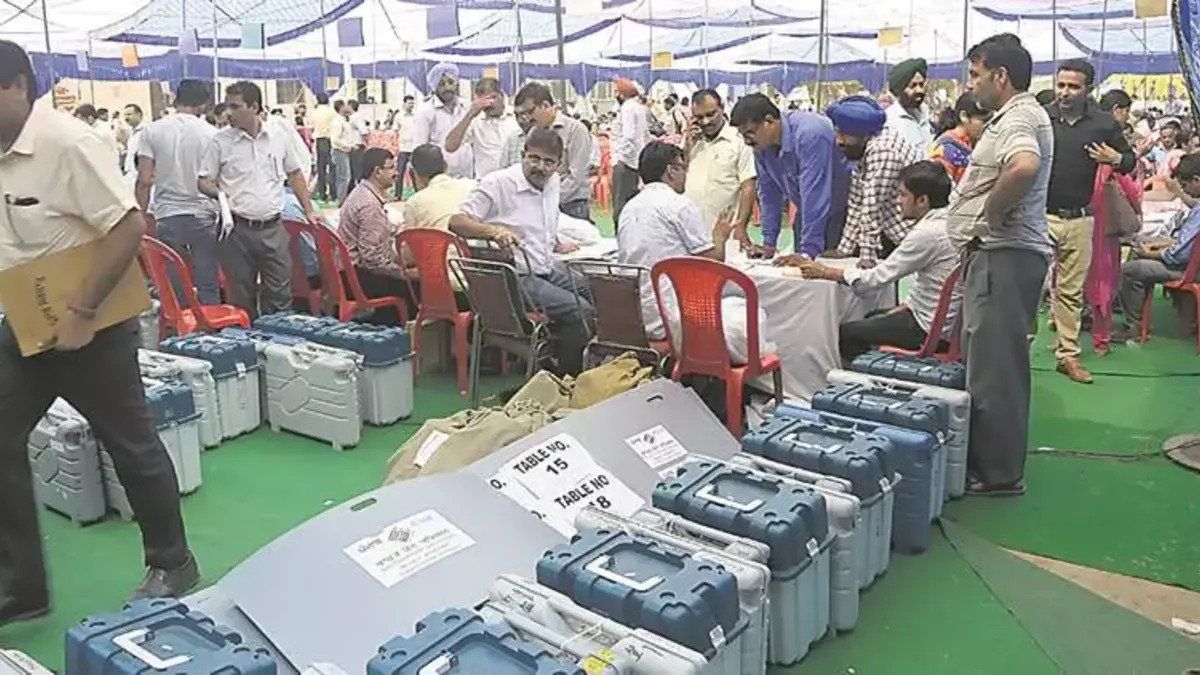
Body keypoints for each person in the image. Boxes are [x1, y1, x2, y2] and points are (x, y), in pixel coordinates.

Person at [0, 41, 199, 627]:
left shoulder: (66, 142)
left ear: (15, 85)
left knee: (130, 443)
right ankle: (22, 584)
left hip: (96, 325)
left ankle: (174, 562)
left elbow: (127, 226)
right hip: (28, 326)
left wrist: (83, 310)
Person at [947, 33, 1053, 496]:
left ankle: (996, 474)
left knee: (996, 370)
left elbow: (1023, 166)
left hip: (1004, 255)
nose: (972, 86)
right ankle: (992, 465)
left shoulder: (1019, 117)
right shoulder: (1015, 115)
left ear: (1000, 76)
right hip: (1001, 256)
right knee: (989, 363)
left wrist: (988, 216)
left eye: (976, 75)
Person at [449, 128, 593, 375]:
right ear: (523, 155)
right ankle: (564, 379)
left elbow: (543, 219)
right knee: (580, 310)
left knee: (597, 291)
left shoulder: (553, 182)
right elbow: (457, 222)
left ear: (559, 165)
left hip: (545, 267)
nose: (540, 167)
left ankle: (557, 358)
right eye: (534, 158)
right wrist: (494, 232)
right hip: (516, 276)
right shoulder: (499, 182)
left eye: (549, 162)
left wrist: (555, 239)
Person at [617, 142, 775, 363]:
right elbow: (713, 268)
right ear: (671, 171)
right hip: (670, 318)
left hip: (634, 318)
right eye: (683, 168)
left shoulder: (628, 208)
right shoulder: (679, 205)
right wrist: (719, 237)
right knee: (751, 313)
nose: (685, 175)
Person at [792, 161, 960, 361]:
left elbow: (876, 279)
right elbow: (930, 283)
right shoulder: (951, 221)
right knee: (872, 317)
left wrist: (827, 272)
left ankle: (866, 382)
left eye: (903, 194)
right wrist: (907, 305)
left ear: (922, 200)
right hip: (944, 322)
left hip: (927, 328)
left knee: (846, 333)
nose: (898, 201)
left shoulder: (927, 234)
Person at [1043, 58, 1136, 383]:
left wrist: (1116, 158)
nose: (1065, 92)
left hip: (1080, 220)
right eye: (1061, 85)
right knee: (1025, 286)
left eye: (1073, 86)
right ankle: (1015, 350)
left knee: (1070, 293)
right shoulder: (1043, 117)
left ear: (1088, 89)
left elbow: (1130, 160)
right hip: (1038, 218)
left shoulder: (1103, 124)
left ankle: (1067, 356)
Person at [197, 81, 320, 318]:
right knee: (242, 298)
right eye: (227, 106)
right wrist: (219, 194)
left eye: (235, 106)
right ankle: (249, 345)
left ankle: (277, 346)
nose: (228, 113)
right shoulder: (220, 142)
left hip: (273, 226)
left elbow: (294, 174)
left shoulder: (277, 138)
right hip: (236, 230)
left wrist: (309, 209)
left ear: (254, 107)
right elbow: (203, 180)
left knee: (281, 296)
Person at [134, 79, 221, 304]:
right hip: (204, 214)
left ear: (175, 99)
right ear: (203, 105)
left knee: (175, 283)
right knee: (207, 282)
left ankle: (183, 327)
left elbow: (145, 179)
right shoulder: (212, 134)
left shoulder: (151, 131)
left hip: (167, 215)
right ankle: (211, 330)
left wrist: (140, 215)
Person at [730, 92, 838, 259]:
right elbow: (768, 194)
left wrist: (807, 252)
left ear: (769, 121)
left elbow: (815, 194)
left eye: (749, 133)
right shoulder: (762, 147)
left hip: (842, 215)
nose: (746, 141)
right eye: (742, 134)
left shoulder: (810, 133)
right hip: (807, 213)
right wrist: (768, 245)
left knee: (834, 275)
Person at [826, 95, 923, 266]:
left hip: (919, 233)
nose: (838, 141)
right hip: (900, 230)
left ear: (862, 134)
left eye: (844, 134)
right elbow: (856, 202)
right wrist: (844, 250)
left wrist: (867, 256)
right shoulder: (863, 149)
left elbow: (872, 206)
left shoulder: (882, 150)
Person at [1115, 154, 1200, 340]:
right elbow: (1183, 241)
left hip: (1186, 270)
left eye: (1185, 186)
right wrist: (1157, 245)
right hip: (1187, 261)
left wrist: (1153, 253)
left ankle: (1134, 326)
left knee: (1129, 270)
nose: (1185, 191)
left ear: (1196, 180)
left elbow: (1178, 255)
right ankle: (1130, 308)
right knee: (1139, 246)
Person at [501, 82, 594, 221]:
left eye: (529, 112)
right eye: (518, 115)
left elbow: (576, 177)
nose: (524, 119)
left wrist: (546, 199)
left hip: (569, 207)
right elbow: (504, 174)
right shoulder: (515, 138)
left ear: (545, 105)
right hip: (525, 208)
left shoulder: (575, 130)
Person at [338, 147, 412, 321]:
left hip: (348, 272)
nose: (396, 173)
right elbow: (372, 259)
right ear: (377, 172)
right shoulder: (370, 205)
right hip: (359, 277)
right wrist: (402, 272)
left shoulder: (361, 193)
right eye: (392, 168)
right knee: (414, 286)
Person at [684, 88, 756, 249]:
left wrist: (741, 225)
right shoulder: (691, 142)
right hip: (691, 235)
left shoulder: (739, 142)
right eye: (699, 117)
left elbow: (748, 186)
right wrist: (687, 147)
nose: (705, 122)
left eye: (711, 114)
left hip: (725, 236)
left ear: (722, 108)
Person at [444, 77, 519, 180]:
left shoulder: (516, 117)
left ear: (501, 95)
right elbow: (450, 146)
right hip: (485, 183)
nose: (488, 104)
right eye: (483, 100)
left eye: (492, 98)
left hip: (513, 181)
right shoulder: (475, 121)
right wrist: (470, 115)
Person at [412, 62, 472, 179]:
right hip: (439, 177)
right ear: (434, 87)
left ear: (456, 83)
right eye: (441, 84)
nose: (447, 87)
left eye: (450, 82)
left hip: (467, 176)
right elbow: (420, 148)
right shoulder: (426, 111)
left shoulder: (466, 107)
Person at [402, 143, 477, 232]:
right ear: (446, 166)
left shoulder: (414, 202)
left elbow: (409, 237)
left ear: (415, 174)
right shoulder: (473, 187)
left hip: (434, 244)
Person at [611, 77, 653, 229]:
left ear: (621, 94)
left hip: (626, 164)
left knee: (620, 207)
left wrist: (620, 159)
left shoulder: (627, 108)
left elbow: (628, 136)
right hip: (636, 162)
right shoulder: (639, 108)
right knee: (632, 205)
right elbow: (645, 136)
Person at [931, 93, 990, 183]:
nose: (989, 125)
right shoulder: (945, 149)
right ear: (964, 116)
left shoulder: (977, 144)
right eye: (984, 121)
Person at [884, 58, 934, 151]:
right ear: (900, 89)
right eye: (913, 86)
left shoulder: (925, 113)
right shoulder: (890, 121)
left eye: (921, 85)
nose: (919, 90)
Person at [310, 93, 337, 202]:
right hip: (331, 140)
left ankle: (322, 193)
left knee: (321, 168)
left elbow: (311, 127)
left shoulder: (314, 112)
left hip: (320, 140)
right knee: (332, 167)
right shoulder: (332, 111)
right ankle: (333, 193)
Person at [331, 100, 358, 203]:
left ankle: (343, 198)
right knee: (344, 177)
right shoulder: (337, 122)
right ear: (341, 107)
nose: (348, 107)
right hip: (340, 151)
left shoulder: (345, 120)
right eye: (346, 105)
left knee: (346, 176)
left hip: (346, 151)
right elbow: (335, 140)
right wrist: (349, 146)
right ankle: (341, 201)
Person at [394, 95, 417, 199]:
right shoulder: (399, 116)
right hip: (403, 148)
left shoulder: (416, 115)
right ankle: (398, 195)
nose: (411, 105)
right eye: (409, 103)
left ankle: (418, 193)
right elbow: (395, 131)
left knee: (415, 172)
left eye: (412, 103)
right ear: (404, 104)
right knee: (399, 173)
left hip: (414, 148)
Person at [347, 100, 370, 185]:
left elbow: (364, 131)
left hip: (357, 146)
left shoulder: (355, 117)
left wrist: (366, 143)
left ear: (350, 106)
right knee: (354, 170)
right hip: (356, 146)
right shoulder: (353, 117)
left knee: (357, 170)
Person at [122, 104, 147, 176]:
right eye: (125, 115)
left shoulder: (145, 132)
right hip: (130, 174)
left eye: (129, 114)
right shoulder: (132, 133)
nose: (126, 117)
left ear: (139, 114)